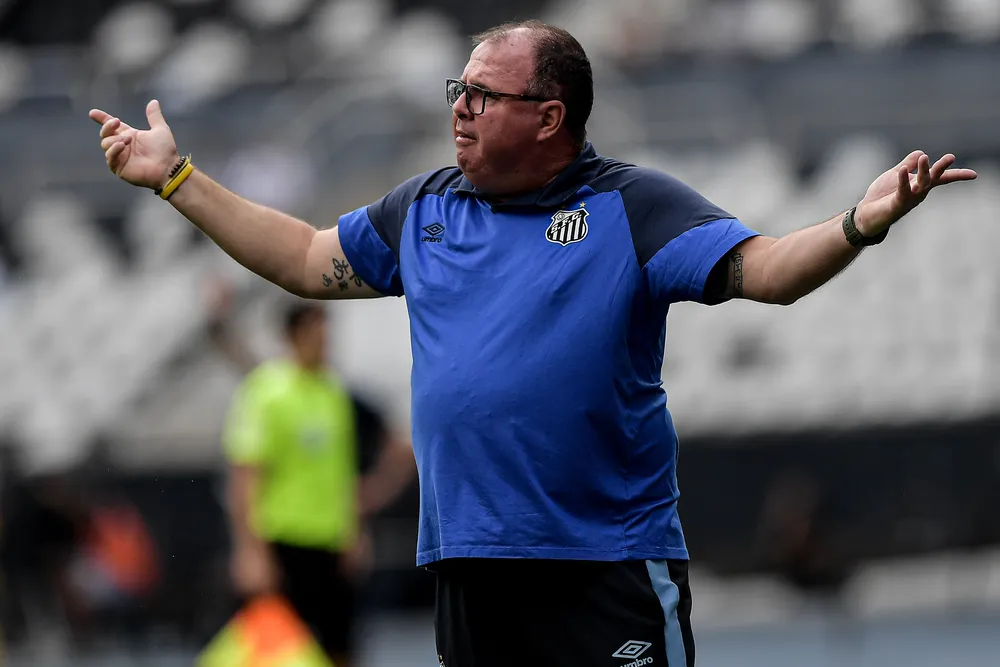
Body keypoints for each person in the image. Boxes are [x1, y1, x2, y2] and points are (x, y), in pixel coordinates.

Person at [89, 19, 977, 667]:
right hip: (473, 571)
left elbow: (771, 269)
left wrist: (859, 224)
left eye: (484, 95)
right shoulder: (424, 206)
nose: (460, 108)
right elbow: (303, 257)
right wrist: (176, 178)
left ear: (549, 117)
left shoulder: (633, 207)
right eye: (459, 89)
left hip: (605, 567)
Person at [220, 300, 414, 667]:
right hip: (282, 540)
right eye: (315, 332)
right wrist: (250, 551)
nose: (324, 341)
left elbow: (344, 469)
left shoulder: (335, 393)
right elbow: (245, 475)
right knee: (276, 651)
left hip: (330, 542)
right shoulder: (266, 392)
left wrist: (356, 523)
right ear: (292, 336)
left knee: (340, 647)